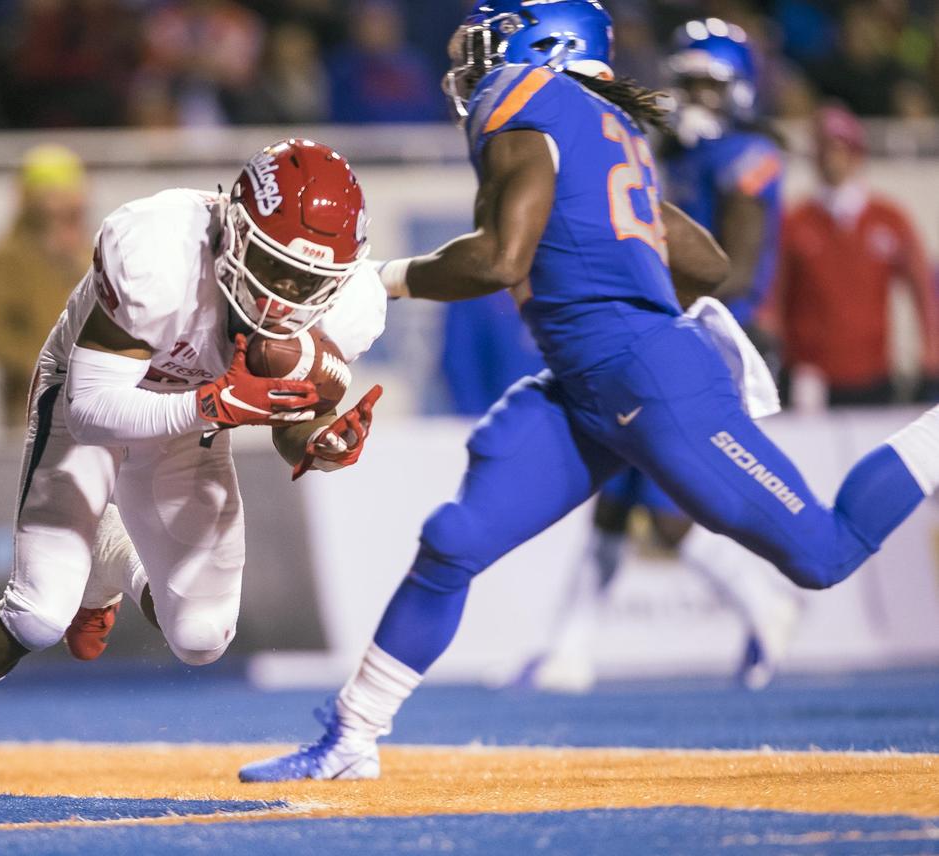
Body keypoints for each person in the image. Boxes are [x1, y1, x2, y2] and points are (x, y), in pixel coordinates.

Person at [239, 0, 939, 783]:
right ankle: (351, 738)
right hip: (588, 381)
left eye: (490, 45)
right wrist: (636, 229)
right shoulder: (615, 132)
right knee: (454, 540)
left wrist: (384, 280)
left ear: (541, 48)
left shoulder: (523, 95)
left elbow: (504, 259)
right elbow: (706, 265)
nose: (475, 64)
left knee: (824, 553)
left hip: (642, 373)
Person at [0, 138, 387, 808]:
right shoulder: (159, 251)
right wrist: (215, 402)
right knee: (40, 612)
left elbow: (289, 424)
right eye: (276, 270)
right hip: (93, 391)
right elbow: (95, 410)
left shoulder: (350, 304)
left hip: (192, 413)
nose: (285, 301)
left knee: (201, 638)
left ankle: (111, 560)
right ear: (234, 229)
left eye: (309, 285)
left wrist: (321, 440)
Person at [525, 19, 798, 695]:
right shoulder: (668, 150)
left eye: (709, 83)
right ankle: (570, 649)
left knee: (670, 513)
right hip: (662, 334)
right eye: (688, 82)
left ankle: (766, 600)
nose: (695, 96)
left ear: (738, 89)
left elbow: (732, 268)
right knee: (615, 495)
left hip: (715, 337)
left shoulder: (749, 156)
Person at [770, 103, 939, 407]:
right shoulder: (795, 222)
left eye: (839, 148)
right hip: (811, 375)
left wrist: (930, 348)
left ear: (857, 153)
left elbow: (923, 287)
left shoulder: (888, 219)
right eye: (824, 149)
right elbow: (774, 296)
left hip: (874, 373)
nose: (831, 158)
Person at [0, 144, 93, 427]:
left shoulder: (89, 253)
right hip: (31, 406)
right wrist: (33, 363)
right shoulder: (7, 257)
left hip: (91, 403)